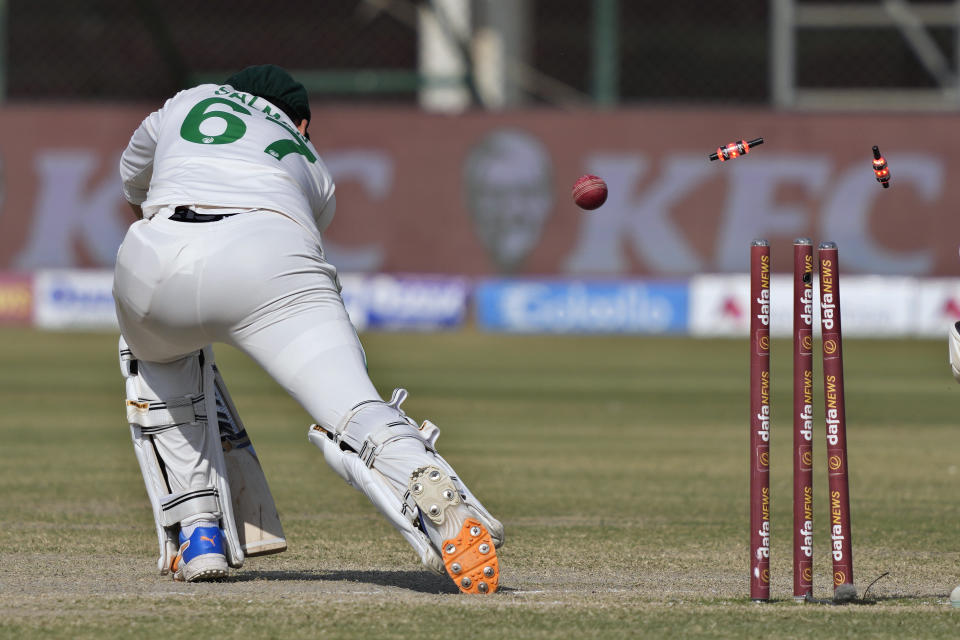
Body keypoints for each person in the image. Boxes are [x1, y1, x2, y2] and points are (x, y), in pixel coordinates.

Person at [113, 64, 503, 593]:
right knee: (355, 408)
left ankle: (200, 533)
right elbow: (299, 227)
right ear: (299, 124)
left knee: (158, 359)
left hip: (157, 253)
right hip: (269, 254)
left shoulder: (191, 99)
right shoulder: (315, 166)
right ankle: (418, 473)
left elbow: (132, 176)